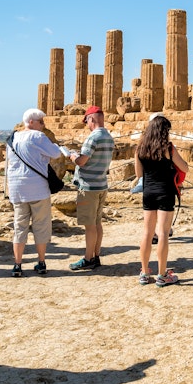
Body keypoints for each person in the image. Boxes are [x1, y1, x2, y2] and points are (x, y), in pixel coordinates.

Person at [6, 109, 63, 277]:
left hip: (17, 188)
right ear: (31, 122)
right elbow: (56, 153)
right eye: (41, 121)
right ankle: (41, 262)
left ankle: (17, 265)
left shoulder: (13, 138)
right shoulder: (38, 137)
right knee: (41, 226)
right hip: (38, 188)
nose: (43, 125)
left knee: (19, 227)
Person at [135, 114, 188, 287]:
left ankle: (144, 272)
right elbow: (184, 167)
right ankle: (162, 274)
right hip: (165, 192)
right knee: (163, 233)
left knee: (147, 233)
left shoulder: (140, 148)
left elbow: (138, 174)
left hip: (148, 191)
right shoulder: (168, 148)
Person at [68, 106, 114, 270]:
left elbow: (82, 161)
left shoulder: (93, 137)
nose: (86, 124)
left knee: (90, 226)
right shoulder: (108, 136)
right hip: (101, 184)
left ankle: (88, 259)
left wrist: (72, 156)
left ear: (91, 119)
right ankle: (96, 256)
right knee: (97, 223)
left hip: (88, 187)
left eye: (86, 121)